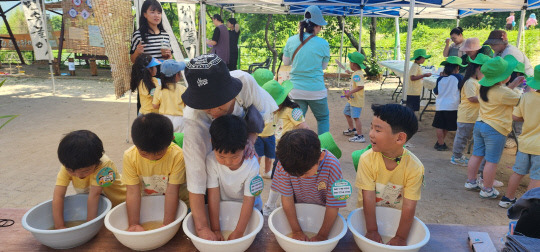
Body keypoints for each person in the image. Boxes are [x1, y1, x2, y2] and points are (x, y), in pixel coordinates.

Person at [181, 54, 278, 241]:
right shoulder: (193, 118)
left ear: (231, 92)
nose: (213, 111)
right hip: (217, 153)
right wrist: (202, 229)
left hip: (240, 139)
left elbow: (263, 114)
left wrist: (249, 140)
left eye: (218, 105)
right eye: (206, 108)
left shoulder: (245, 82)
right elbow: (196, 175)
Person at [356, 104, 423, 246]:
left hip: (394, 220)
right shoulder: (367, 159)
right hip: (367, 220)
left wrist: (400, 237)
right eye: (371, 127)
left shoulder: (415, 168)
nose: (371, 133)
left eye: (378, 130)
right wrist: (372, 230)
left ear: (399, 138)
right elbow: (368, 197)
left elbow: (409, 206)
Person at [465, 56, 525, 199]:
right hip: (496, 129)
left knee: (476, 155)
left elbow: (501, 94)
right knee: (492, 161)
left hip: (480, 124)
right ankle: (487, 189)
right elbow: (524, 101)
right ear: (504, 77)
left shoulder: (482, 87)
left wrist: (513, 85)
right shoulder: (505, 93)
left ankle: (471, 181)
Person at [271, 129, 346, 241]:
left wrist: (322, 235)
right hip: (296, 214)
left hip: (323, 216)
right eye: (295, 175)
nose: (300, 178)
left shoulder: (332, 166)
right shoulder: (285, 164)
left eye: (305, 173)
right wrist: (296, 231)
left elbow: (333, 205)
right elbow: (287, 198)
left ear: (320, 157)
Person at [122, 113, 189, 231]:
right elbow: (133, 191)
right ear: (134, 142)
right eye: (144, 153)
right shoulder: (129, 157)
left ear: (171, 140)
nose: (151, 158)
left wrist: (167, 224)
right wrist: (134, 224)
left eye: (158, 153)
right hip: (148, 203)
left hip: (179, 202)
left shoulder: (177, 155)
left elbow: (172, 192)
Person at [52, 130, 126, 229]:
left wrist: (89, 228)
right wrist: (59, 226)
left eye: (85, 171)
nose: (78, 175)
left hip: (121, 203)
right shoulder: (69, 165)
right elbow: (58, 196)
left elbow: (94, 196)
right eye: (71, 171)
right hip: (100, 206)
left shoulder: (104, 166)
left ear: (97, 162)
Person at [206, 115, 263, 240]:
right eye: (221, 156)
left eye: (234, 157)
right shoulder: (211, 161)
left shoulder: (252, 164)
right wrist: (215, 229)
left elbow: (249, 200)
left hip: (251, 211)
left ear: (245, 145)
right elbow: (213, 195)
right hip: (225, 209)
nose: (227, 162)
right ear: (212, 143)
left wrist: (239, 232)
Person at [262, 80, 309, 216]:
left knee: (279, 178)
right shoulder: (275, 111)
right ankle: (274, 206)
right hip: (280, 150)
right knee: (281, 178)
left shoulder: (293, 110)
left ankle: (271, 206)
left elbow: (305, 128)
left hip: (292, 151)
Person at [282, 5, 330, 135]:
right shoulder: (323, 43)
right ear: (317, 26)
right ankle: (323, 149)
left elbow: (286, 62)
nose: (320, 29)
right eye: (320, 26)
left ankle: (296, 151)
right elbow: (323, 67)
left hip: (296, 90)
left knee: (297, 122)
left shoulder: (291, 40)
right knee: (323, 118)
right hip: (316, 90)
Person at [499, 65, 540, 208]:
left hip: (525, 143)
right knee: (537, 177)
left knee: (518, 172)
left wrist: (529, 117)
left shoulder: (526, 96)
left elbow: (516, 116)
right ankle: (527, 205)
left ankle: (507, 198)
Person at [451, 54, 490, 166]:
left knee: (465, 137)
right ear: (479, 68)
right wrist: (488, 97)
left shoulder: (475, 81)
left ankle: (459, 156)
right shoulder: (470, 82)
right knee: (462, 137)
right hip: (467, 115)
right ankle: (456, 157)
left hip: (472, 116)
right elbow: (471, 98)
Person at [432, 56, 466, 151]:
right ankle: (440, 142)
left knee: (439, 125)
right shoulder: (459, 77)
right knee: (446, 126)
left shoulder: (440, 79)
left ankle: (440, 142)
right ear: (457, 68)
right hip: (452, 106)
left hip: (440, 105)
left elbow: (436, 92)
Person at [252, 70, 277, 179]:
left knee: (269, 155)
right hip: (260, 135)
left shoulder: (258, 96)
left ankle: (267, 171)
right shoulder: (258, 98)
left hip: (268, 134)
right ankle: (256, 172)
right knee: (259, 155)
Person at [153, 60, 187, 132]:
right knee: (179, 141)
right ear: (176, 75)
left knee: (166, 141)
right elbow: (186, 104)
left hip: (164, 119)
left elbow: (155, 106)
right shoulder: (183, 89)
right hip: (180, 120)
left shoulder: (159, 89)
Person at [342, 52, 367, 143]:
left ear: (353, 64)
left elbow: (361, 86)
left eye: (350, 62)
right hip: (352, 100)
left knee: (356, 117)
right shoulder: (357, 73)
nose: (349, 64)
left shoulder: (357, 75)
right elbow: (356, 79)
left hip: (356, 100)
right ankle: (352, 129)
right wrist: (350, 73)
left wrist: (349, 93)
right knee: (346, 112)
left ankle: (360, 136)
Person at [407, 49, 432, 116]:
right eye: (423, 58)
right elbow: (412, 78)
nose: (424, 60)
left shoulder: (417, 66)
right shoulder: (415, 66)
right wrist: (424, 75)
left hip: (415, 91)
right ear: (419, 58)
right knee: (412, 110)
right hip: (413, 92)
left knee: (413, 109)